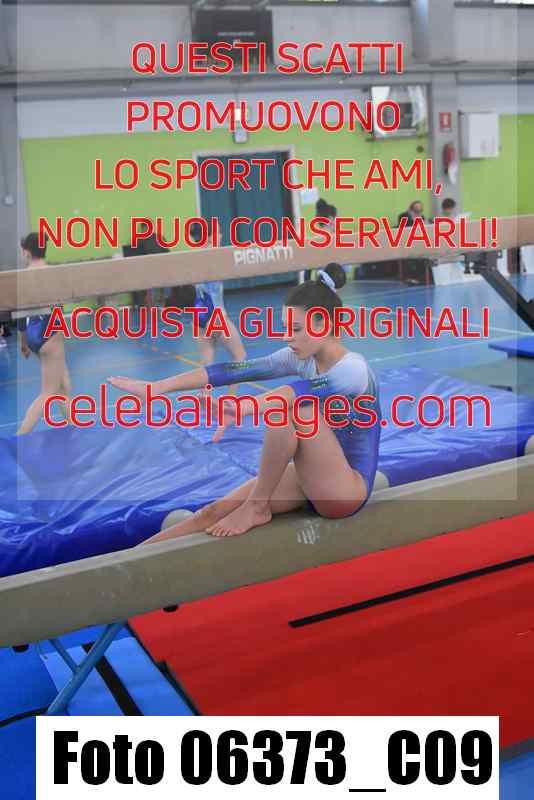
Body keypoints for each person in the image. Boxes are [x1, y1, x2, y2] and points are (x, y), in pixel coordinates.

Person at [108, 263, 381, 541]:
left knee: (295, 410)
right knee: (211, 513)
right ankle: (131, 559)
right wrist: (159, 387)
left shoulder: (353, 369)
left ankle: (257, 507)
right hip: (312, 474)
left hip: (346, 490)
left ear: (323, 324)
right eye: (286, 328)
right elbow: (235, 370)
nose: (287, 337)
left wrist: (242, 408)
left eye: (296, 329)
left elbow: (298, 392)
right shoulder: (300, 357)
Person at [16, 233, 71, 435]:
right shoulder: (53, 274)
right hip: (50, 333)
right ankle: (20, 435)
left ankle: (73, 425)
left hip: (33, 334)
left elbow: (21, 314)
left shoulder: (22, 278)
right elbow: (59, 308)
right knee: (48, 392)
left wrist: (23, 342)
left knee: (63, 383)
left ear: (27, 252)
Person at [187, 221, 246, 394]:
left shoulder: (192, 256)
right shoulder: (214, 256)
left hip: (199, 313)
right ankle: (230, 400)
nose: (221, 236)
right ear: (209, 237)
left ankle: (204, 399)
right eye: (218, 233)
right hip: (215, 313)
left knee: (207, 363)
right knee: (240, 356)